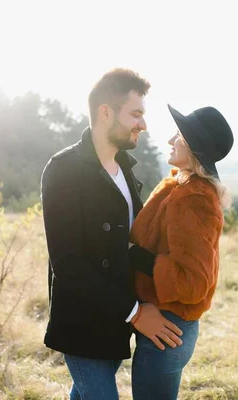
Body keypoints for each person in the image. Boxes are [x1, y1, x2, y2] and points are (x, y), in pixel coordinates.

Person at [40, 68, 183, 400]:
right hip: (84, 324)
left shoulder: (126, 170)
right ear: (105, 113)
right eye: (135, 114)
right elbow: (67, 262)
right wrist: (135, 312)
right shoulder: (63, 170)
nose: (143, 125)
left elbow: (130, 246)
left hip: (117, 323)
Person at [128, 104, 234, 400]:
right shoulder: (179, 185)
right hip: (165, 322)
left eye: (178, 135)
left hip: (168, 327)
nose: (170, 140)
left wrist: (133, 255)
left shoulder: (193, 199)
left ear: (193, 146)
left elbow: (193, 282)